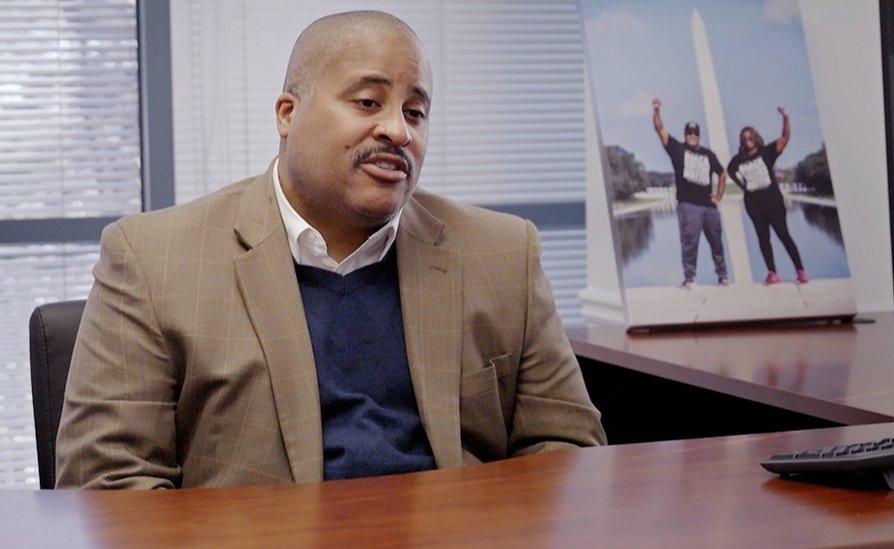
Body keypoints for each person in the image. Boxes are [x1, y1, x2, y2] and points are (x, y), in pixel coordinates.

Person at [55, 11, 606, 489]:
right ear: (288, 114)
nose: (398, 131)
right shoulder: (153, 259)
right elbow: (108, 484)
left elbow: (567, 451)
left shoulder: (504, 254)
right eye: (368, 102)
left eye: (415, 113)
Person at [651, 98, 728, 289]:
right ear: (685, 135)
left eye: (695, 133)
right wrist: (657, 111)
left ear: (699, 136)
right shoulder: (678, 149)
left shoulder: (709, 155)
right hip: (688, 205)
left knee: (717, 243)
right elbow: (660, 130)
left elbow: (722, 173)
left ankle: (723, 276)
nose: (692, 136)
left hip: (709, 207)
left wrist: (719, 195)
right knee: (690, 242)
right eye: (689, 133)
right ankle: (690, 278)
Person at [727, 107, 809, 285]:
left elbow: (785, 138)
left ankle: (800, 270)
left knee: (783, 235)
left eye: (750, 137)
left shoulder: (767, 152)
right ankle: (772, 273)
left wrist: (786, 117)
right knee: (763, 238)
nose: (747, 140)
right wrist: (744, 185)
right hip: (754, 205)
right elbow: (730, 170)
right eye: (744, 138)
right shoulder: (737, 160)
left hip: (773, 202)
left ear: (755, 138)